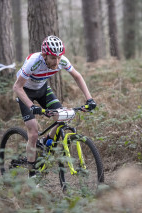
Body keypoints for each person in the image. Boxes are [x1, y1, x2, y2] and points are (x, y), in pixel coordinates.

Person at [13, 35, 97, 177]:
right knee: (33, 132)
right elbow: (17, 87)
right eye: (53, 58)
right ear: (44, 55)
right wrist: (31, 106)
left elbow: (77, 76)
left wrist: (90, 99)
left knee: (62, 117)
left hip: (43, 90)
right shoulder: (33, 62)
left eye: (59, 57)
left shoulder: (62, 61)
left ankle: (47, 142)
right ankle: (32, 173)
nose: (57, 61)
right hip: (25, 92)